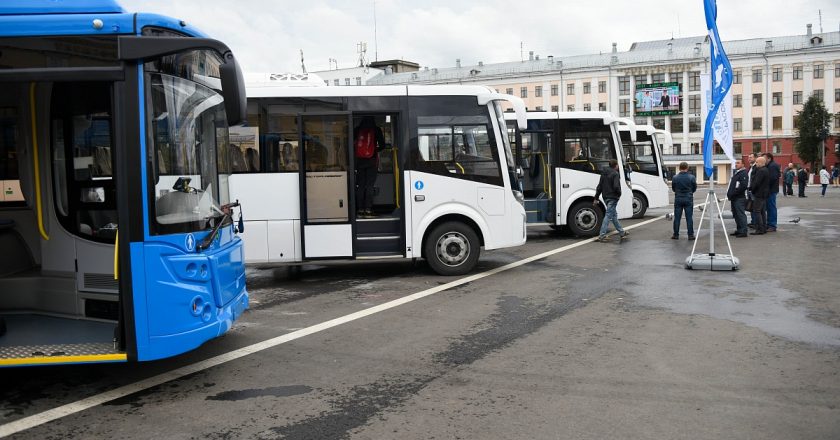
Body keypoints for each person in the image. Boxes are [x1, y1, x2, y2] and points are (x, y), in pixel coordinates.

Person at [353, 116, 389, 218]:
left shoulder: (357, 129)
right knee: (369, 186)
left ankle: (360, 210)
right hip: (372, 161)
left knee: (360, 186)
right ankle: (368, 210)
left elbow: (352, 144)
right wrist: (374, 150)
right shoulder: (376, 129)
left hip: (359, 162)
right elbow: (383, 145)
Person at [594, 159, 627, 242]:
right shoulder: (615, 174)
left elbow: (599, 186)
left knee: (613, 215)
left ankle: (622, 232)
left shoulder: (604, 173)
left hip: (605, 197)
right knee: (608, 215)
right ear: (615, 165)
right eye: (618, 165)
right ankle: (602, 235)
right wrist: (619, 194)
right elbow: (616, 186)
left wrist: (596, 198)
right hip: (613, 197)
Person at [671, 161, 697, 240]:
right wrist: (689, 192)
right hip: (688, 198)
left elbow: (673, 188)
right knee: (689, 218)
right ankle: (690, 235)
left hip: (678, 198)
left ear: (679, 168)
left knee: (677, 218)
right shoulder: (691, 177)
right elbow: (694, 188)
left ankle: (676, 235)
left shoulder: (675, 177)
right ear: (687, 168)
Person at [727, 158, 749, 237]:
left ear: (743, 164)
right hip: (734, 198)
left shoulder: (743, 173)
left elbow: (742, 186)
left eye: (738, 163)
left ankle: (743, 231)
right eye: (736, 163)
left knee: (740, 215)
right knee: (736, 215)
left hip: (739, 198)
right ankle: (739, 229)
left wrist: (733, 194)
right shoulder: (737, 173)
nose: (736, 164)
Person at [749, 156, 770, 235]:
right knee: (762, 212)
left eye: (757, 162)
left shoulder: (761, 171)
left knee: (757, 211)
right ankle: (763, 228)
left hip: (759, 194)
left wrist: (751, 189)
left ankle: (760, 229)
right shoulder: (766, 170)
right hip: (764, 194)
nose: (756, 163)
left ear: (761, 163)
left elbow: (756, 183)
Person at [763, 152, 780, 232]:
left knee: (771, 207)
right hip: (769, 190)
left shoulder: (772, 166)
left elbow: (772, 178)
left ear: (769, 158)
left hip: (771, 190)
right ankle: (769, 224)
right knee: (769, 208)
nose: (763, 160)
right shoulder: (769, 166)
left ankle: (772, 225)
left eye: (764, 158)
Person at [746, 153, 757, 227]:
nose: (749, 159)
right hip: (749, 189)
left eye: (751, 157)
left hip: (754, 190)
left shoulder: (756, 167)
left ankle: (756, 222)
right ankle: (753, 221)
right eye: (748, 157)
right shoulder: (750, 167)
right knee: (751, 207)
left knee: (755, 207)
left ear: (755, 158)